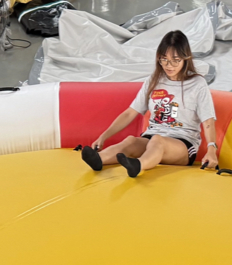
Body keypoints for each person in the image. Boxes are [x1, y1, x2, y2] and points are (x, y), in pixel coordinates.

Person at [82, 31, 220, 177]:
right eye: (164, 59)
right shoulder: (154, 80)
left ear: (186, 59)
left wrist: (211, 149)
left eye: (175, 60)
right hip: (152, 137)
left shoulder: (197, 83)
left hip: (183, 144)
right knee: (131, 141)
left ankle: (139, 165)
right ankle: (99, 159)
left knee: (158, 141)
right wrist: (103, 137)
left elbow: (208, 121)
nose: (169, 65)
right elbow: (130, 113)